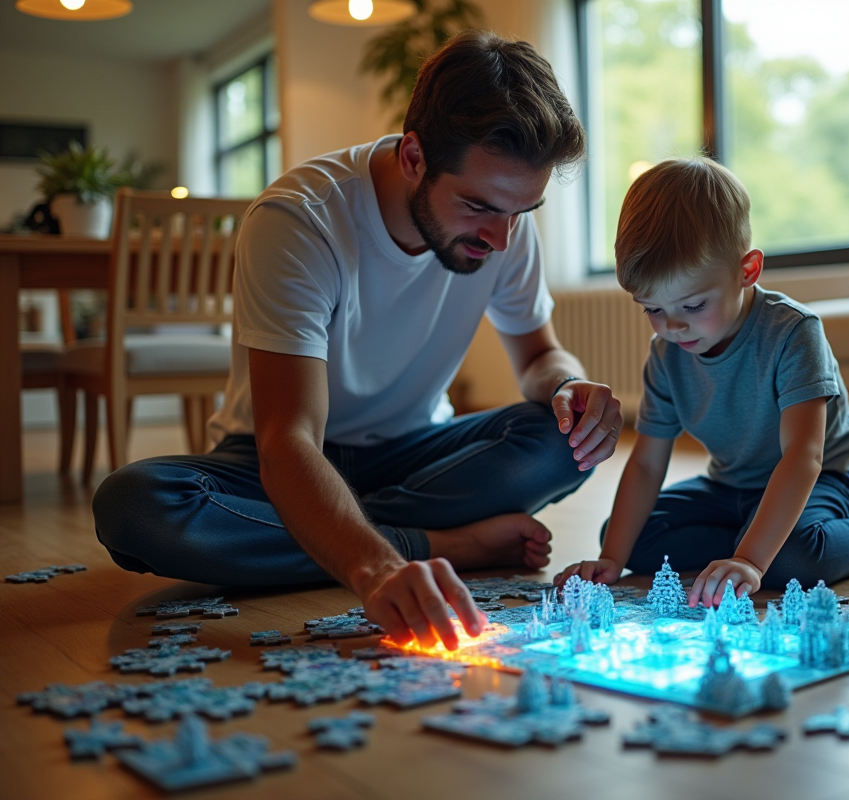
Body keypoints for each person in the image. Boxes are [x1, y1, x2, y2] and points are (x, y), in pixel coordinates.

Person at [93, 32, 623, 650]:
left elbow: (537, 356)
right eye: (479, 206)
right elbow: (287, 439)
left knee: (564, 441)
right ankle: (437, 543)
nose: (501, 238)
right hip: (278, 457)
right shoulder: (298, 219)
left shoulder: (503, 224)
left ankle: (327, 529)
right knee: (134, 506)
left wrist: (568, 387)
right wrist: (378, 568)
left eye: (520, 213)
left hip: (415, 452)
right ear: (415, 157)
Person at [554, 157, 849, 607]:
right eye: (653, 309)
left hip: (821, 479)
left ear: (748, 270)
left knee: (789, 562)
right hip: (729, 487)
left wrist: (752, 562)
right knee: (632, 539)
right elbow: (645, 464)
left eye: (694, 306)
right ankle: (749, 535)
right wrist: (611, 558)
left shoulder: (793, 332)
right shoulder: (665, 354)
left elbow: (804, 456)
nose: (673, 327)